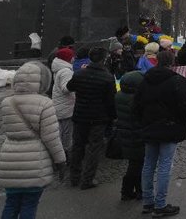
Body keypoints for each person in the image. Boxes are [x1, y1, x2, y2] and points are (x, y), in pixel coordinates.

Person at [0, 62, 66, 219]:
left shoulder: (7, 102)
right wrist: (60, 161)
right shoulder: (45, 103)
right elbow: (51, 137)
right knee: (29, 204)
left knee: (11, 204)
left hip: (9, 157)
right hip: (35, 159)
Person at [134, 50, 186, 217]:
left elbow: (137, 104)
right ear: (172, 62)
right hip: (169, 127)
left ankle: (148, 202)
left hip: (149, 125)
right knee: (165, 165)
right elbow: (184, 107)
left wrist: (143, 121)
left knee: (148, 164)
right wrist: (183, 122)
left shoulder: (145, 80)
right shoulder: (176, 81)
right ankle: (160, 204)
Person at [65, 47, 116, 190]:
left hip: (80, 115)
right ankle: (88, 179)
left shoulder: (80, 73)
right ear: (103, 59)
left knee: (77, 146)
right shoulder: (107, 77)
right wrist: (112, 117)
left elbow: (70, 87)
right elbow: (110, 101)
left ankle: (74, 177)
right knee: (94, 148)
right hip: (98, 118)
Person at [115, 70, 145, 201]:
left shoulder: (119, 96)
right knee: (137, 165)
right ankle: (131, 191)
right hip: (137, 135)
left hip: (125, 133)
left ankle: (132, 191)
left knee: (135, 164)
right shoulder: (137, 100)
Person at [50, 47, 76, 160]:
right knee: (66, 133)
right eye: (72, 56)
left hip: (60, 104)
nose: (74, 58)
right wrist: (77, 82)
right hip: (66, 106)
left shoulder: (59, 69)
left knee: (60, 131)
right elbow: (66, 88)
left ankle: (57, 154)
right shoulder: (66, 71)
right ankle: (64, 155)